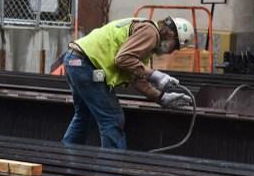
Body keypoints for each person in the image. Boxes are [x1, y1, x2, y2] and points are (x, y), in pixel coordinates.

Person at [62, 16, 194, 150]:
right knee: (112, 118)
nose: (171, 52)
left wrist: (161, 97)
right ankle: (112, 168)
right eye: (175, 46)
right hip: (85, 65)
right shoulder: (151, 33)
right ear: (171, 35)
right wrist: (154, 75)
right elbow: (123, 59)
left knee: (85, 115)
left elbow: (135, 77)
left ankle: (66, 158)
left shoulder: (145, 34)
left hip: (75, 61)